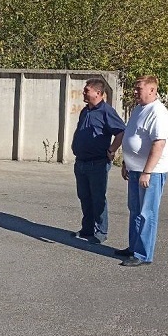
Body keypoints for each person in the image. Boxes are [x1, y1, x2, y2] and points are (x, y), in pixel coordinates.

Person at [116, 75, 168, 267]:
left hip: (151, 172)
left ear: (152, 90)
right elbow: (131, 136)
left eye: (139, 89)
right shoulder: (139, 109)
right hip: (135, 169)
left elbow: (159, 144)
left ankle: (142, 254)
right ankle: (133, 247)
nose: (135, 92)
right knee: (135, 210)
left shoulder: (158, 112)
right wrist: (126, 162)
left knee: (147, 213)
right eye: (135, 88)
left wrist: (147, 172)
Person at [70, 78, 125, 244]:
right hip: (81, 162)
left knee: (98, 198)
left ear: (98, 93)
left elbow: (121, 132)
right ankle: (87, 229)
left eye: (87, 90)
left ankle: (101, 232)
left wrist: (112, 150)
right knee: (84, 197)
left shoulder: (107, 112)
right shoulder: (85, 111)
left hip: (97, 163)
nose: (84, 92)